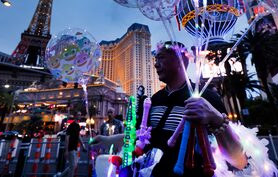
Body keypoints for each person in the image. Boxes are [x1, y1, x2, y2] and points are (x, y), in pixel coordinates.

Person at [91, 41, 247, 177]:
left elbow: (239, 161)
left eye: (161, 58)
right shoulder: (154, 99)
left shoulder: (205, 97)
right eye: (155, 59)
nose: (156, 64)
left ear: (180, 60)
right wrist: (106, 140)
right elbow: (140, 135)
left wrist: (215, 117)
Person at [65, 112, 87, 177]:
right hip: (70, 147)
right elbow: (67, 137)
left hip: (75, 147)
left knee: (73, 165)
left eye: (80, 114)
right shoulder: (71, 126)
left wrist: (83, 145)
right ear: (75, 116)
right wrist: (66, 150)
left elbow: (78, 136)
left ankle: (62, 175)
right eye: (78, 115)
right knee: (73, 165)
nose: (79, 116)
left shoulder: (77, 126)